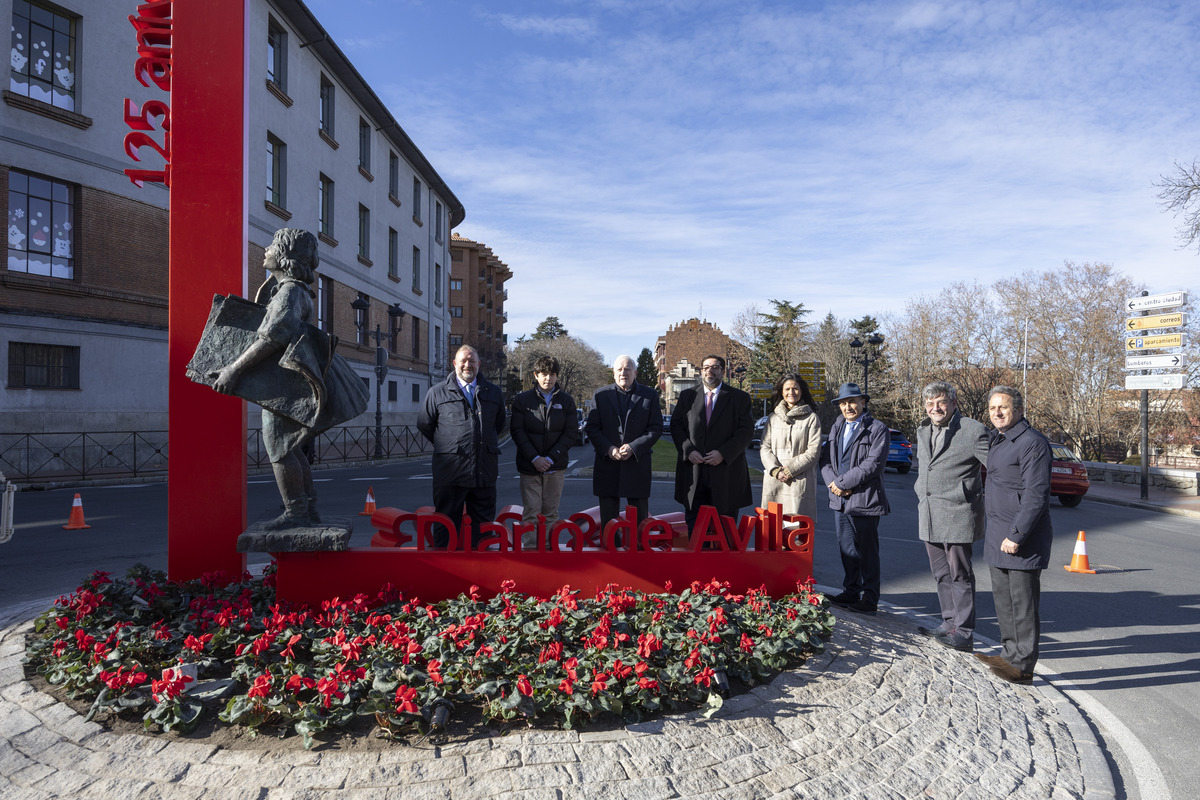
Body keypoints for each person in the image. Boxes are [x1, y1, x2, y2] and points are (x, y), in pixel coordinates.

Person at [208, 228, 367, 530]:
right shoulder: (292, 289)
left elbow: (273, 335)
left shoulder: (290, 291)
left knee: (279, 447)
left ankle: (296, 512)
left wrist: (234, 369)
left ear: (284, 256)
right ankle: (306, 509)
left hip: (283, 385)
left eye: (271, 246)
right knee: (288, 447)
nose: (265, 250)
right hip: (286, 382)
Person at [976, 385, 1053, 684]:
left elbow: (1036, 495)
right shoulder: (999, 439)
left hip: (1021, 538)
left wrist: (1017, 535)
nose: (997, 413)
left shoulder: (1032, 442)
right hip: (997, 534)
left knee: (1023, 604)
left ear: (1019, 410)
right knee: (1003, 601)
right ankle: (1008, 654)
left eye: (1003, 407)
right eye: (993, 408)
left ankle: (1023, 666)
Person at [913, 381, 991, 652]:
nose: (936, 408)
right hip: (930, 513)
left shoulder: (972, 430)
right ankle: (948, 624)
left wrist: (979, 496)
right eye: (930, 404)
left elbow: (996, 467)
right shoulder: (923, 430)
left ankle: (965, 631)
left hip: (958, 512)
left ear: (953, 403)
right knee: (940, 574)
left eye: (941, 402)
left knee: (960, 574)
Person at [417, 345, 507, 548]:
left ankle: (480, 575)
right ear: (455, 363)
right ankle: (444, 574)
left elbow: (499, 425)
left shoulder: (494, 392)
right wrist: (447, 444)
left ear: (479, 364)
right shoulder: (437, 393)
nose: (468, 365)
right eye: (464, 361)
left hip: (484, 472)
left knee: (483, 530)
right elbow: (425, 424)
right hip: (450, 473)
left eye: (472, 361)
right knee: (445, 525)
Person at [819, 382, 890, 614]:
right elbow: (825, 460)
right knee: (847, 549)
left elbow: (873, 465)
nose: (847, 406)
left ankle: (869, 599)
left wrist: (842, 484)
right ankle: (851, 592)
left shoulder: (877, 429)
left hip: (865, 500)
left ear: (863, 402)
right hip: (840, 500)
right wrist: (834, 485)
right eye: (843, 403)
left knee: (867, 552)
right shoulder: (837, 427)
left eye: (852, 401)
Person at [670, 355, 755, 539]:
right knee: (695, 532)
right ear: (701, 371)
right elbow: (676, 426)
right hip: (694, 473)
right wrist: (688, 450)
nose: (710, 371)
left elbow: (746, 431)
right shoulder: (687, 396)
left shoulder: (739, 398)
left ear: (723, 372)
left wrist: (723, 453)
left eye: (715, 367)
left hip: (726, 474)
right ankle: (696, 567)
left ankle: (723, 567)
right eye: (706, 367)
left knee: (725, 533)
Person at [585, 354, 663, 536]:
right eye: (619, 369)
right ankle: (611, 558)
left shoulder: (649, 395)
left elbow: (656, 428)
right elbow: (593, 428)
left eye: (627, 369)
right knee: (608, 523)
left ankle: (638, 559)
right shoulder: (600, 395)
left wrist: (634, 447)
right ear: (613, 373)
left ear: (635, 373)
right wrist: (609, 449)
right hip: (607, 464)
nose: (623, 373)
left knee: (639, 521)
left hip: (637, 463)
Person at [510, 355, 579, 548]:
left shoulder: (567, 401)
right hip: (529, 466)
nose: (548, 378)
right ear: (536, 375)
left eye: (552, 374)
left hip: (555, 467)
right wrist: (534, 458)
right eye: (544, 374)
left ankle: (548, 551)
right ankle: (531, 551)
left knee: (550, 513)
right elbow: (517, 431)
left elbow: (570, 433)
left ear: (557, 376)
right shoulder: (522, 400)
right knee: (532, 512)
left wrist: (550, 458)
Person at [760, 372, 822, 521]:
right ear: (781, 392)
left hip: (799, 481)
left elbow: (813, 452)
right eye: (787, 389)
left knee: (796, 534)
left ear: (801, 391)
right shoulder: (773, 418)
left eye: (795, 389)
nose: (791, 392)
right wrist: (775, 470)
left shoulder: (811, 418)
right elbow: (764, 447)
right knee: (772, 533)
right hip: (774, 481)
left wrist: (789, 470)